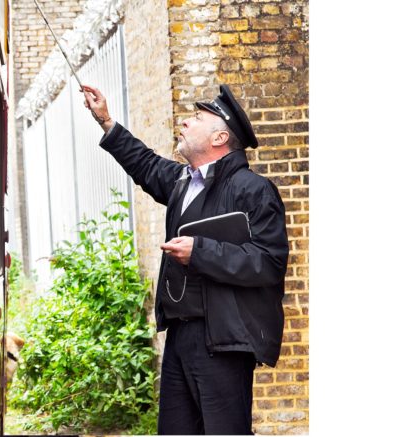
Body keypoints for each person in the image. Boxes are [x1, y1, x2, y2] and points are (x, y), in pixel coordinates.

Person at [80, 84, 289, 435]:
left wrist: (200, 252)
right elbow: (144, 163)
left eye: (196, 118)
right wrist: (106, 121)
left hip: (224, 340)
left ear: (220, 137)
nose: (185, 123)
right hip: (180, 336)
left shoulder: (253, 190)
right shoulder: (181, 182)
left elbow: (268, 262)